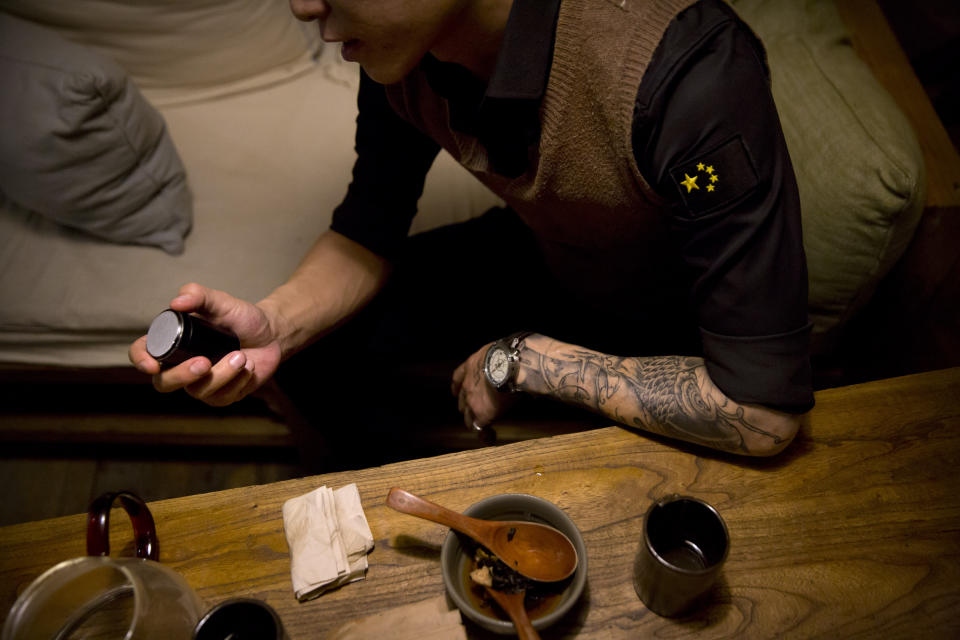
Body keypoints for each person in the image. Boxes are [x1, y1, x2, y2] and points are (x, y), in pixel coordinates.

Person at [129, 0, 814, 458]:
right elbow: (371, 226)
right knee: (310, 363)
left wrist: (521, 360)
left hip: (673, 312)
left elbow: (762, 413)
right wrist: (276, 323)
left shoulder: (692, 78)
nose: (305, 5)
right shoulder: (404, 49)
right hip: (553, 253)